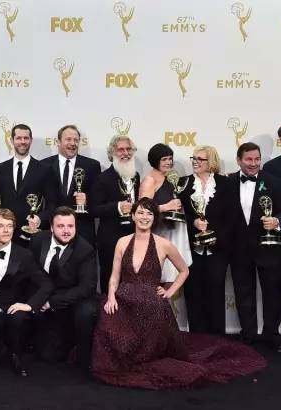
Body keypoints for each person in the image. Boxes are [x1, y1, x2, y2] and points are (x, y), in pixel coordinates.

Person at [92, 197, 266, 389]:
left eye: (149, 213)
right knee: (107, 320)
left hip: (152, 303)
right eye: (140, 212)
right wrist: (111, 297)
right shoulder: (122, 242)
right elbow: (114, 276)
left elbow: (184, 270)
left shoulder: (163, 244)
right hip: (124, 299)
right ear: (133, 216)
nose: (144, 217)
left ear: (154, 218)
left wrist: (169, 291)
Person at [0, 209, 53, 376]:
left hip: (13, 313)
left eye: (9, 226)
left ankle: (16, 352)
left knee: (17, 321)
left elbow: (46, 284)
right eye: (0, 226)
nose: (6, 230)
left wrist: (29, 305)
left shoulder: (24, 255)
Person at [226, 142, 281, 348]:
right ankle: (248, 335)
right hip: (238, 250)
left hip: (269, 247)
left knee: (271, 293)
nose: (253, 163)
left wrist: (277, 221)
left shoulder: (274, 182)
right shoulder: (227, 182)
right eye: (248, 159)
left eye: (257, 159)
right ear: (238, 160)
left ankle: (272, 335)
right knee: (243, 293)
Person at [28, 206, 98, 372]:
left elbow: (86, 287)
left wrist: (51, 302)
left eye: (70, 226)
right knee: (47, 356)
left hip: (72, 299)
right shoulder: (37, 240)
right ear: (51, 228)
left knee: (86, 311)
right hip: (45, 295)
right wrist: (39, 299)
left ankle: (83, 356)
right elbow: (31, 272)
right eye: (60, 226)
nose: (66, 231)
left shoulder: (85, 250)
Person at [178, 146, 231, 334]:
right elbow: (176, 214)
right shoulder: (183, 183)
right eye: (194, 158)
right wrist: (193, 222)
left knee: (216, 293)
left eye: (200, 159)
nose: (195, 162)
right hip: (191, 249)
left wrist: (216, 236)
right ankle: (197, 340)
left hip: (218, 249)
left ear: (212, 162)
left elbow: (232, 216)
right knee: (193, 293)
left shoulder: (225, 183)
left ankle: (217, 339)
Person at [0, 124, 57, 246]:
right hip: (5, 234)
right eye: (19, 138)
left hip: (32, 234)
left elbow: (52, 203)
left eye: (26, 138)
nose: (23, 142)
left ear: (31, 140)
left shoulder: (44, 169)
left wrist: (39, 218)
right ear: (12, 140)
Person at [90, 135, 140, 294]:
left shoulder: (136, 176)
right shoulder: (102, 178)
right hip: (110, 240)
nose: (125, 153)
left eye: (129, 149)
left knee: (132, 281)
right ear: (112, 153)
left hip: (133, 237)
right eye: (121, 149)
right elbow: (94, 209)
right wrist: (118, 207)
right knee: (110, 280)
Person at [139, 143, 192, 286]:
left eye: (170, 158)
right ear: (155, 160)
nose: (168, 162)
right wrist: (166, 206)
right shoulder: (149, 180)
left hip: (172, 234)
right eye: (164, 159)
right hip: (157, 235)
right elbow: (142, 210)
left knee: (171, 280)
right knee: (158, 279)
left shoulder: (169, 178)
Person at [41, 124, 100, 245]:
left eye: (76, 140)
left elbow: (98, 199)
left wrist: (86, 199)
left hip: (82, 232)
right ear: (58, 142)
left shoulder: (92, 166)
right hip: (51, 231)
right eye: (68, 139)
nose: (73, 143)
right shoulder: (43, 165)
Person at [262, 121, 281, 310]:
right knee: (271, 287)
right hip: (276, 236)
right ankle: (272, 328)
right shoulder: (270, 167)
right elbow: (265, 199)